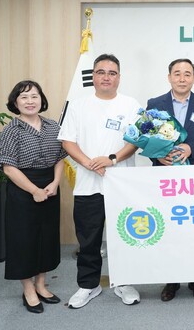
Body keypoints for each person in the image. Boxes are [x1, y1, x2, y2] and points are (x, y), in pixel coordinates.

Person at [58, 54, 141, 308]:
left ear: (119, 78)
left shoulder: (131, 104)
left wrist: (112, 159)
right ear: (93, 76)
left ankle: (124, 282)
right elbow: (67, 140)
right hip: (87, 184)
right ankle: (88, 285)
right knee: (88, 239)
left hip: (121, 184)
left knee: (123, 237)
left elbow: (136, 141)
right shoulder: (78, 105)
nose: (106, 77)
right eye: (101, 72)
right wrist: (88, 163)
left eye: (112, 73)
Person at [0, 80, 67, 314]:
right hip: (23, 189)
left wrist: (55, 183)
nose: (30, 101)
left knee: (46, 237)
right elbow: (8, 168)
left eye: (34, 96)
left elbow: (60, 158)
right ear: (15, 102)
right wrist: (34, 190)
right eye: (24, 97)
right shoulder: (11, 130)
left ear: (41, 100)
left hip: (50, 186)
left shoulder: (53, 126)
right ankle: (28, 289)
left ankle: (41, 285)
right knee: (23, 240)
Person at [146, 58, 194, 302]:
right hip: (164, 176)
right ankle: (171, 280)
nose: (182, 78)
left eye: (187, 74)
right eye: (177, 73)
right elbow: (147, 137)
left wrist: (189, 148)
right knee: (168, 228)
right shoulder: (155, 104)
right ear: (169, 77)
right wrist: (158, 155)